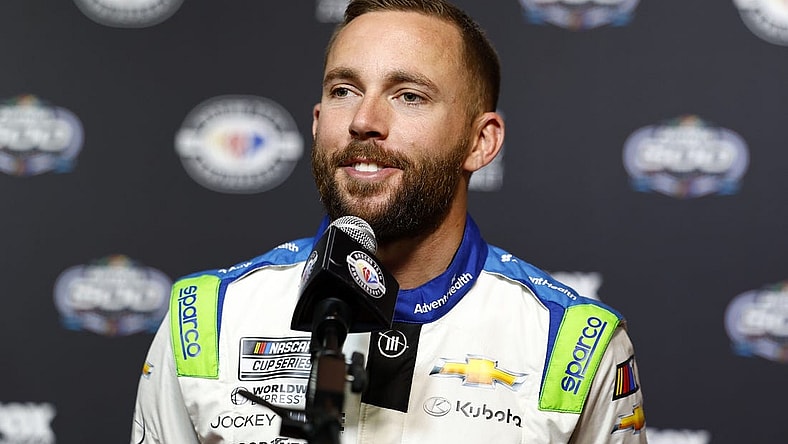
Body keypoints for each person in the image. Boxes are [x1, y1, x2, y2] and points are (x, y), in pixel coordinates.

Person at [131, 0, 647, 442]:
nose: (364, 121)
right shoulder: (206, 321)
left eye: (409, 96)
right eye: (344, 90)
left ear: (480, 141)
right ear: (317, 122)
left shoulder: (571, 344)